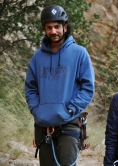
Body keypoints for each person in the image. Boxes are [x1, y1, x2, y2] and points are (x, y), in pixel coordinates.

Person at [25, 5, 95, 166]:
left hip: (69, 121)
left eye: (57, 26)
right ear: (44, 29)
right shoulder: (37, 57)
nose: (53, 31)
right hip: (43, 123)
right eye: (49, 27)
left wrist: (70, 109)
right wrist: (37, 110)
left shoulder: (79, 53)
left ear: (65, 27)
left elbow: (87, 88)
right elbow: (31, 88)